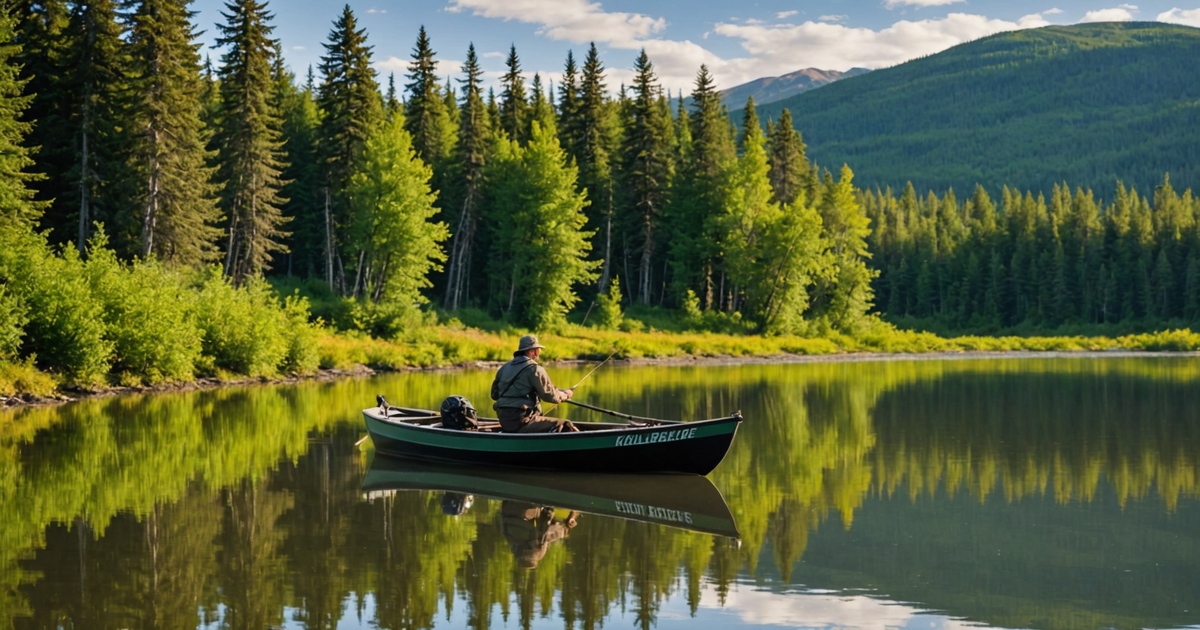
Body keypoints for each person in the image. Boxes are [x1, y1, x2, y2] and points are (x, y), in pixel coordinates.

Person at [490, 334, 579, 433]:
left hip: (505, 421)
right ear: (534, 351)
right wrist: (565, 395)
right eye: (538, 350)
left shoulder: (504, 368)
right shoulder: (534, 369)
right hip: (523, 421)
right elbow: (549, 395)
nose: (539, 353)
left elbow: (494, 395)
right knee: (565, 425)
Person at [500, 501, 579, 569]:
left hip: (530, 499)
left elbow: (549, 534)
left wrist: (567, 527)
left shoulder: (535, 549)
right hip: (512, 500)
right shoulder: (510, 537)